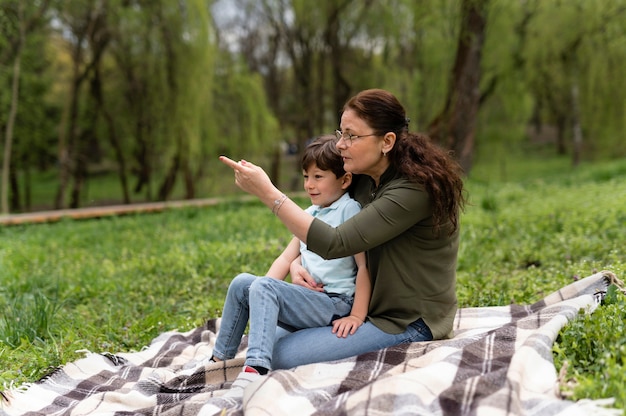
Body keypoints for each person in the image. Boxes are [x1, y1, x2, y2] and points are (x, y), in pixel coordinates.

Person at [219, 88, 465, 373]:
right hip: (350, 306)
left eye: (352, 136)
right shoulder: (362, 178)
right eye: (341, 133)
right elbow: (322, 221)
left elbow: (336, 242)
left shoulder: (412, 191)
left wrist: (268, 193)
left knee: (278, 355)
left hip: (406, 321)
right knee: (264, 341)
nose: (340, 145)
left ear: (387, 141)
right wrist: (297, 264)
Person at [212, 135, 371, 393]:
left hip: (336, 304)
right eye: (306, 177)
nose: (309, 185)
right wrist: (257, 291)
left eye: (318, 177)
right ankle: (219, 360)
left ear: (344, 180)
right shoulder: (309, 214)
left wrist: (356, 315)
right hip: (311, 301)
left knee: (263, 287)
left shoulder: (349, 210)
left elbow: (364, 266)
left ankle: (257, 368)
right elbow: (286, 258)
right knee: (243, 283)